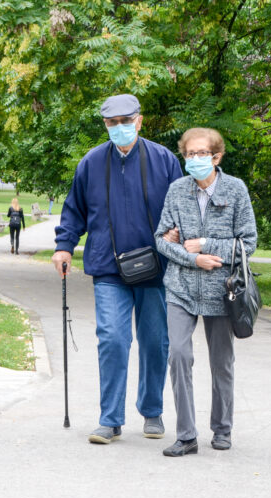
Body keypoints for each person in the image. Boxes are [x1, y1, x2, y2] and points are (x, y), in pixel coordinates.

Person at [52, 94, 183, 444]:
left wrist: (178, 232)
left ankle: (152, 410)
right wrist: (64, 246)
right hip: (109, 269)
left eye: (127, 121)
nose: (120, 128)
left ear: (139, 121)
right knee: (112, 338)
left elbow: (181, 207)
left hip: (155, 267)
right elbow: (73, 211)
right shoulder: (91, 163)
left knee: (155, 342)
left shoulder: (164, 160)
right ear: (106, 125)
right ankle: (110, 419)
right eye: (113, 123)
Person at [154, 127, 257, 457]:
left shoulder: (235, 190)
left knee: (221, 362)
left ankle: (222, 428)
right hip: (180, 288)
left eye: (202, 153)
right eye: (189, 154)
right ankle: (186, 435)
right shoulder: (176, 191)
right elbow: (161, 239)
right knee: (178, 355)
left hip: (222, 291)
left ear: (217, 156)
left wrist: (208, 245)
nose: (195, 159)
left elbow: (248, 243)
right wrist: (193, 258)